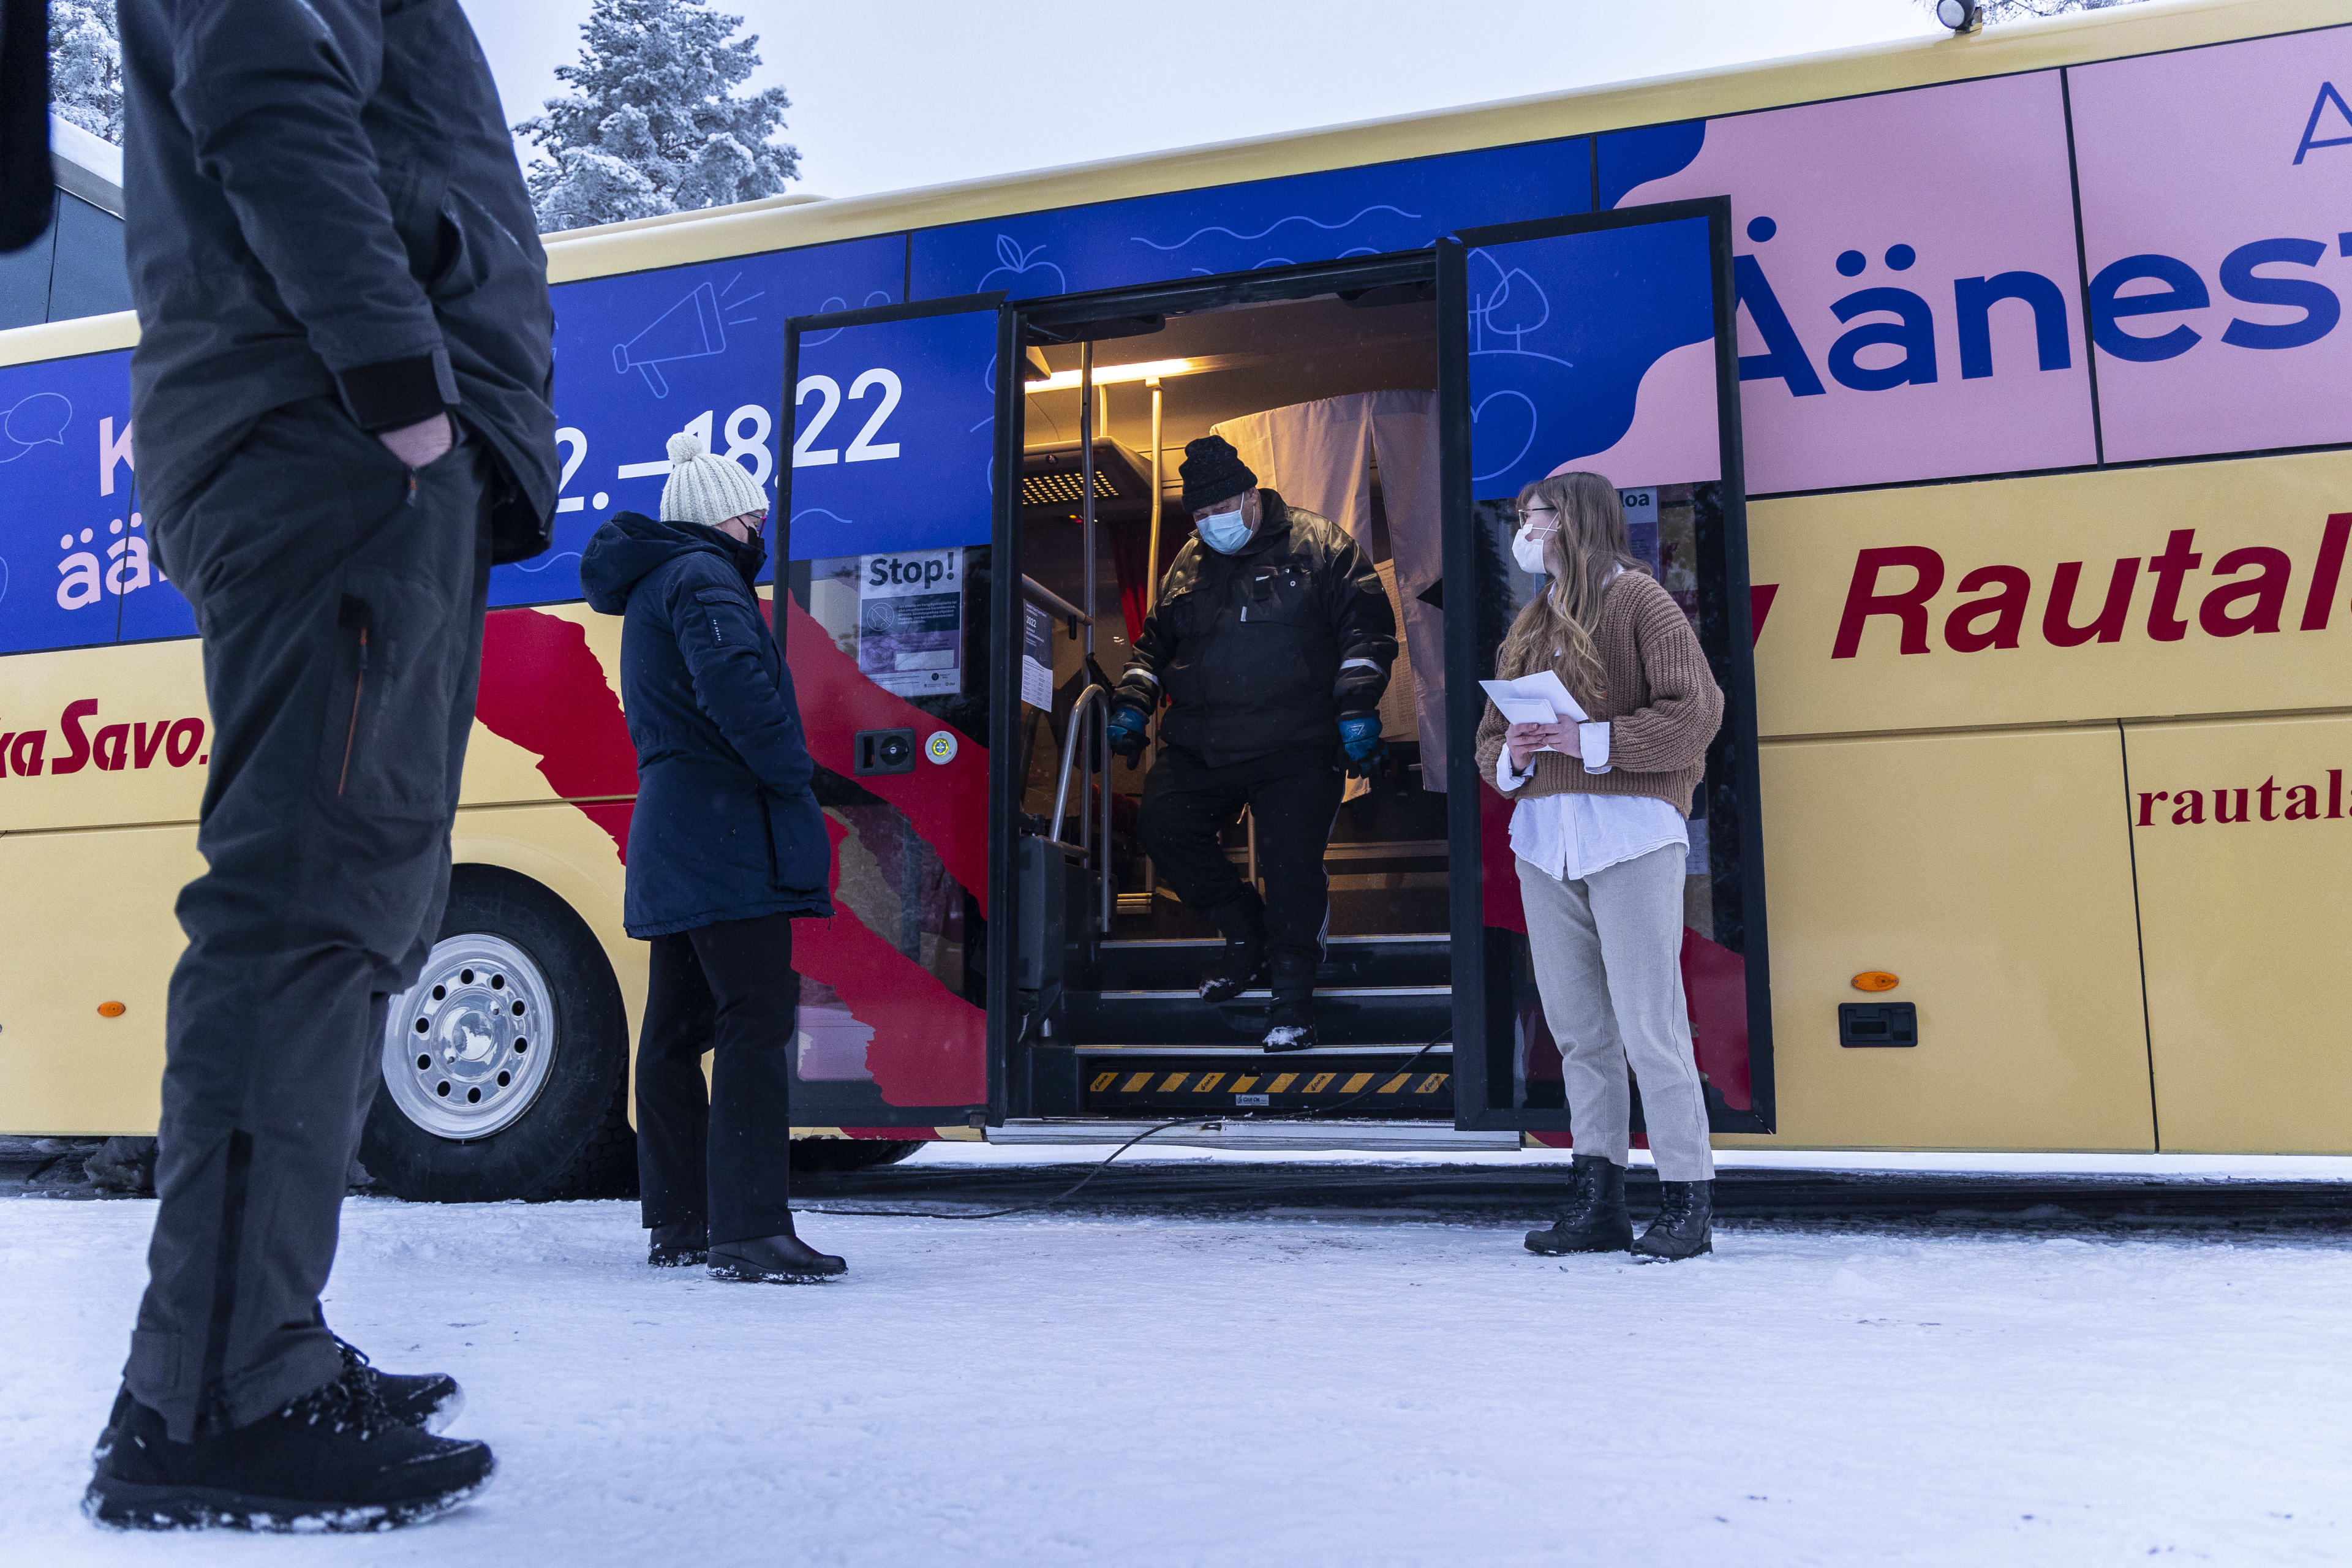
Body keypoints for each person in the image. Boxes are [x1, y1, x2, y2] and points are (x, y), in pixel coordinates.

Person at [90, 0, 558, 1532]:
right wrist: (395, 380)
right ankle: (218, 1396)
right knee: (305, 905)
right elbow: (265, 77)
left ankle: (243, 1347)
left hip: (335, 435)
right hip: (334, 432)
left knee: (349, 907)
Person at [580, 433, 843, 1285]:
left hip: (677, 830)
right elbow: (737, 687)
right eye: (748, 511)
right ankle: (751, 1230)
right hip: (728, 830)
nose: (759, 522)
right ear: (712, 518)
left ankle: (683, 1222)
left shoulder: (659, 581)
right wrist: (790, 773)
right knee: (754, 1024)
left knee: (674, 1034)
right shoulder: (703, 577)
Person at [1474, 472, 1724, 1261]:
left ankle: (1688, 1201)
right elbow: (1488, 744)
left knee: (1652, 1025)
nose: (1524, 529)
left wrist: (1591, 741)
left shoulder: (1640, 601)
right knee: (1581, 1031)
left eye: (1534, 516)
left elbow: (1697, 712)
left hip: (1631, 836)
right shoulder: (1529, 621)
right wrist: (1510, 754)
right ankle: (1599, 1200)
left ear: (1572, 519)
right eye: (1520, 518)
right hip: (1547, 841)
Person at [1108, 435, 1397, 1051]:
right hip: (1201, 743)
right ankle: (1244, 931)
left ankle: (1292, 1001)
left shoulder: (1321, 545)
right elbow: (1154, 646)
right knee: (1161, 825)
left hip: (1297, 743)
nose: (1211, 524)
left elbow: (1367, 632)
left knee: (1291, 868)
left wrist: (1356, 712)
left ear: (1250, 495)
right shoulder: (1187, 561)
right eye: (1200, 514)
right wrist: (1132, 705)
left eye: (1220, 509)